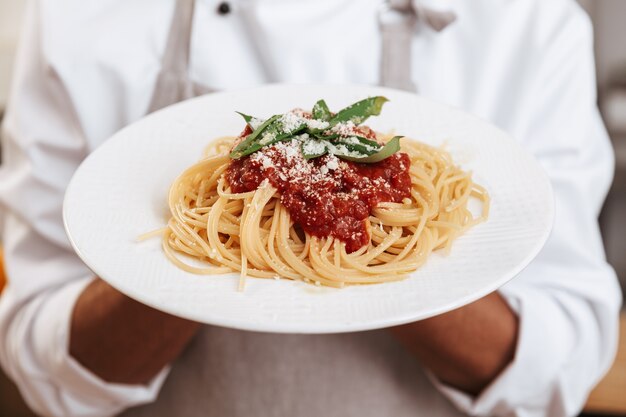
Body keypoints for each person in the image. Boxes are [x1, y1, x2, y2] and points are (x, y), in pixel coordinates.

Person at [0, 0, 621, 416]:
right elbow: (42, 356)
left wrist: (382, 258)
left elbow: (562, 359)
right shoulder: (72, 15)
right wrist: (214, 239)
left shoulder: (527, 20)